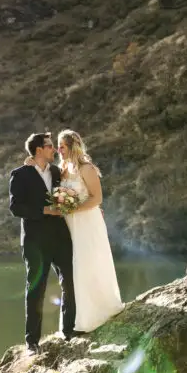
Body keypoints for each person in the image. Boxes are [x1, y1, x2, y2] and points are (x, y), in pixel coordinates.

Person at [8, 132, 77, 354]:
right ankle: (32, 342)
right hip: (35, 242)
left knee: (69, 283)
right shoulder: (20, 175)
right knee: (36, 289)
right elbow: (15, 208)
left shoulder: (56, 171)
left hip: (60, 237)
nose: (53, 150)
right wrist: (44, 210)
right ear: (38, 150)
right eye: (49, 146)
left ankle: (69, 331)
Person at [53, 130, 125, 332]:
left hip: (86, 222)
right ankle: (77, 318)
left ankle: (97, 312)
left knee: (87, 263)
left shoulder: (87, 168)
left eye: (62, 146)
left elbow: (97, 198)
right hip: (68, 224)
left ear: (72, 147)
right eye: (57, 146)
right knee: (73, 268)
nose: (59, 150)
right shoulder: (62, 169)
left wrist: (72, 208)